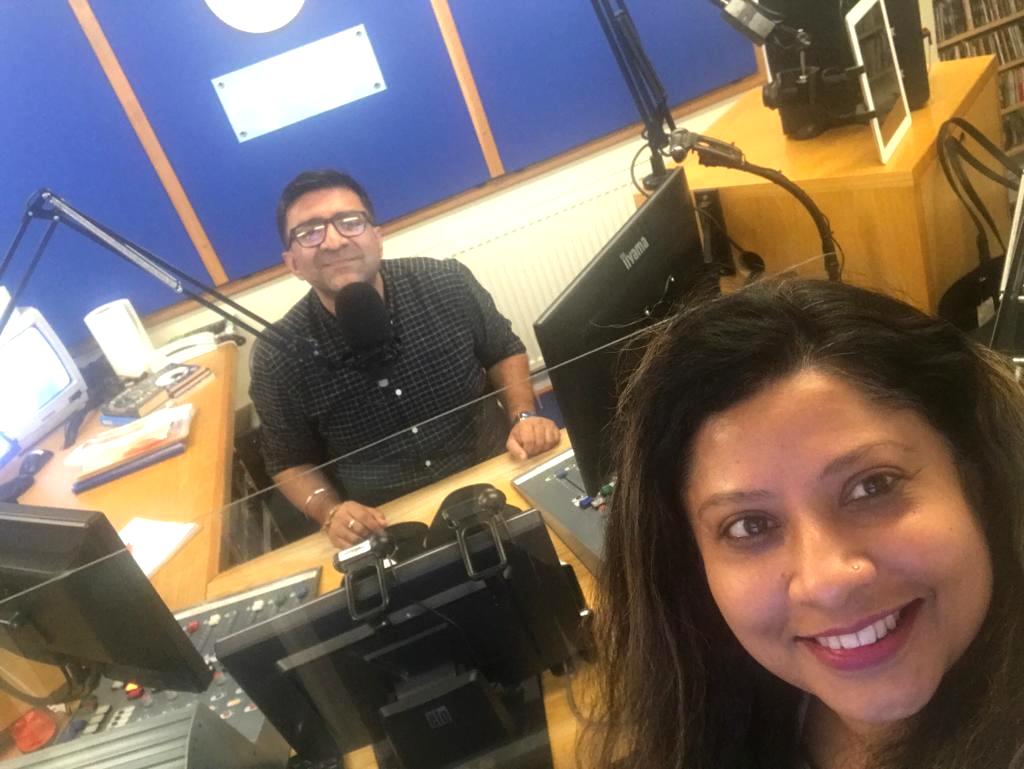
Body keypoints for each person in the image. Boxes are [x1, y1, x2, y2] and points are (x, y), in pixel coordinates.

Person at [588, 278, 1024, 769]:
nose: (827, 582)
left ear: (978, 480)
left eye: (873, 486)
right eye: (749, 526)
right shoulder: (718, 724)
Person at [250, 169, 559, 548]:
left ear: (377, 237)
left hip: (496, 472)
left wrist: (523, 416)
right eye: (309, 232)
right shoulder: (277, 354)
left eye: (350, 222)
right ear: (293, 263)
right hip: (387, 521)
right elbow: (288, 460)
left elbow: (504, 350)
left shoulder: (446, 282)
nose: (333, 241)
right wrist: (330, 511)